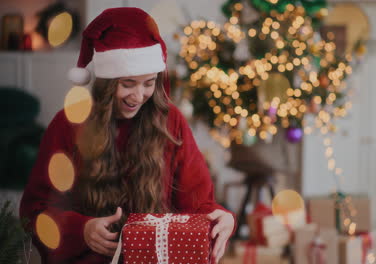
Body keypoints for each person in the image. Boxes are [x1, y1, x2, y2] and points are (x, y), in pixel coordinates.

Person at [20, 7, 235, 264]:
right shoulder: (68, 125)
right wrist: (81, 230)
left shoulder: (171, 122)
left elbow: (198, 205)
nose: (138, 96)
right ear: (106, 83)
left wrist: (223, 217)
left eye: (148, 83)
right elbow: (35, 212)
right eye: (127, 84)